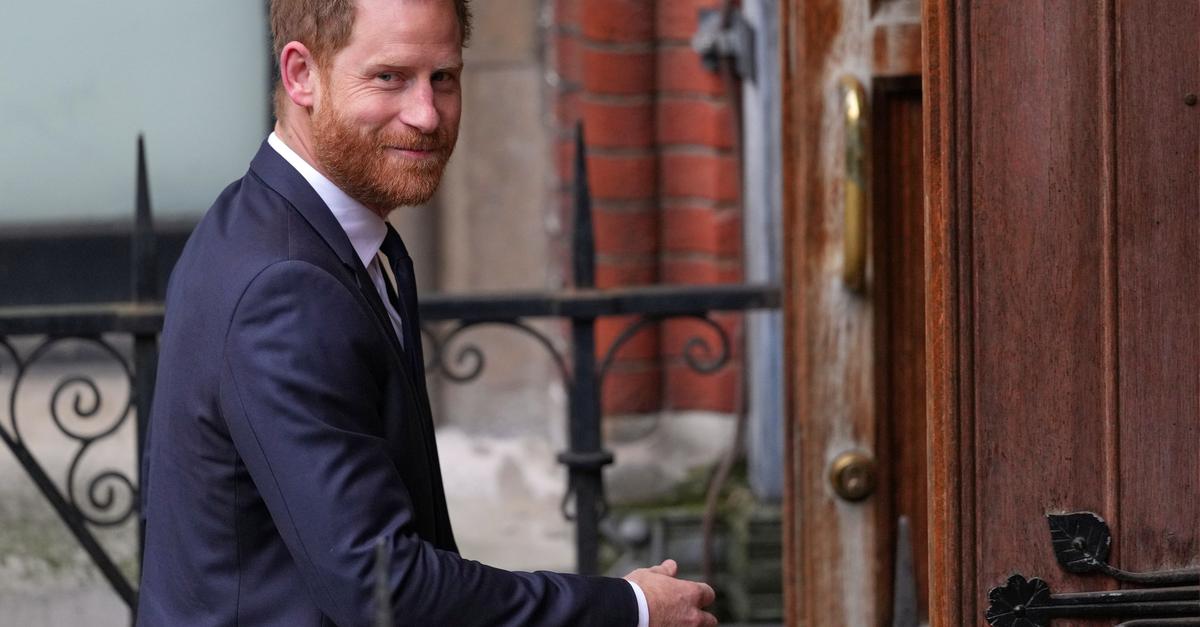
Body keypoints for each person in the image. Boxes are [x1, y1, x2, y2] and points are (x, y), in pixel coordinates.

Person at [136, 0, 718, 625]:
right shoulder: (286, 287)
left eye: (443, 77)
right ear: (301, 74)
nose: (427, 114)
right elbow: (385, 587)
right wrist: (629, 608)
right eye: (389, 77)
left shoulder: (272, 223)